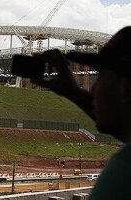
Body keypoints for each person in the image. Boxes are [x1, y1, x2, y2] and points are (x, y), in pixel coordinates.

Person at [30, 26, 131, 199]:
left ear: (127, 89)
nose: (93, 90)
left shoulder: (124, 172)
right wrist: (72, 91)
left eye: (101, 78)